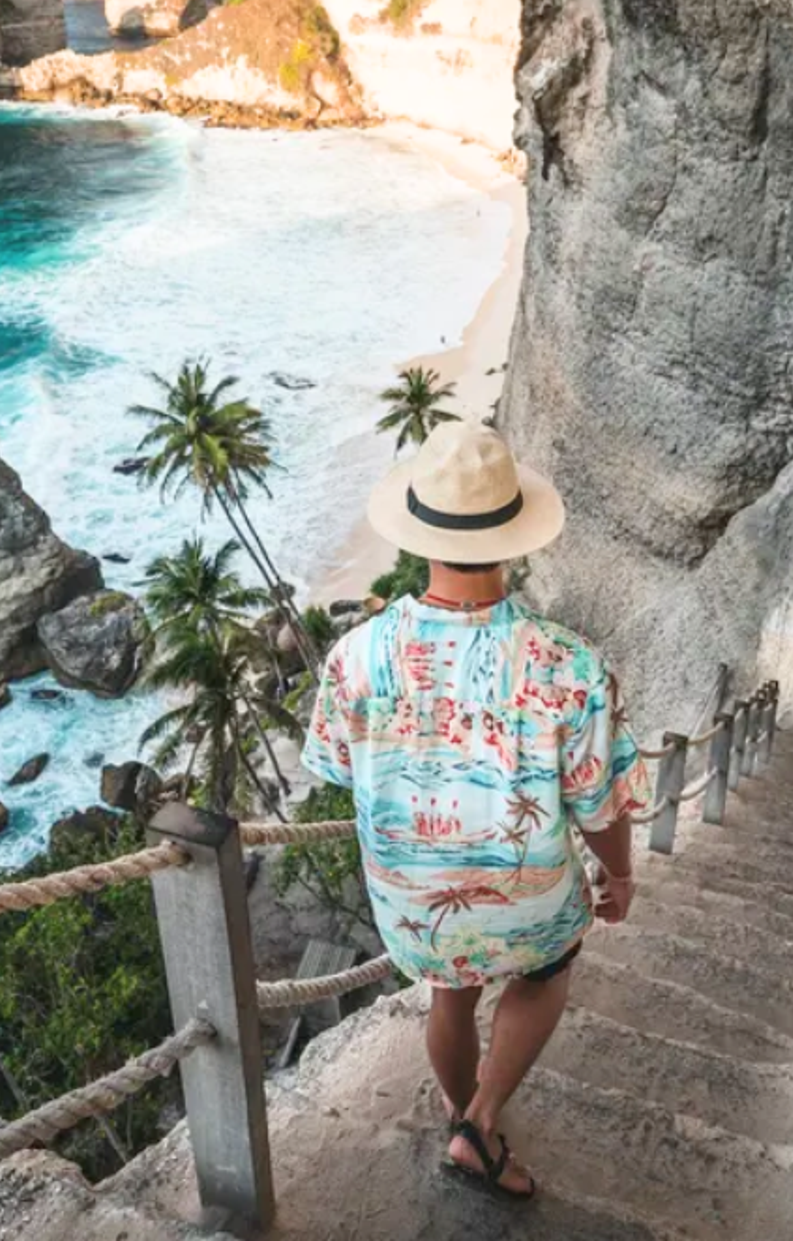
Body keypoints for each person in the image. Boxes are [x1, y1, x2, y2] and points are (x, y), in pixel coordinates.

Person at [301, 422, 650, 1200]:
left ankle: (462, 1115)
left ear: (420, 531)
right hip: (527, 897)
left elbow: (332, 768)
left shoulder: (353, 655)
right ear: (514, 540)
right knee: (549, 967)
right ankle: (483, 1118)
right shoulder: (570, 663)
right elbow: (600, 802)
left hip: (413, 900)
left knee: (448, 991)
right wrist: (619, 876)